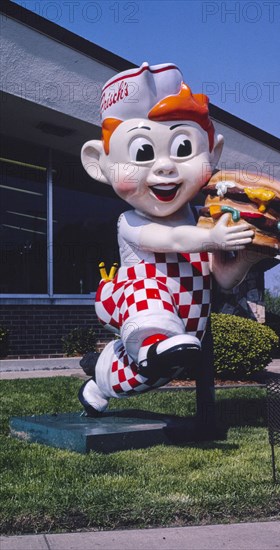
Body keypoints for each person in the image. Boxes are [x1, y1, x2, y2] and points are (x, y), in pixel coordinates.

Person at [79, 62, 260, 416]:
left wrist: (246, 258)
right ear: (100, 164)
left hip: (189, 327)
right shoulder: (130, 221)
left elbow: (221, 278)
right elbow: (173, 239)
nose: (165, 167)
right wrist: (215, 239)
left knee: (152, 376)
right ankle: (137, 351)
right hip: (144, 303)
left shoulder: (201, 221)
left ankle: (99, 380)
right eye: (143, 152)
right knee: (150, 308)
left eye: (182, 148)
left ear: (213, 153)